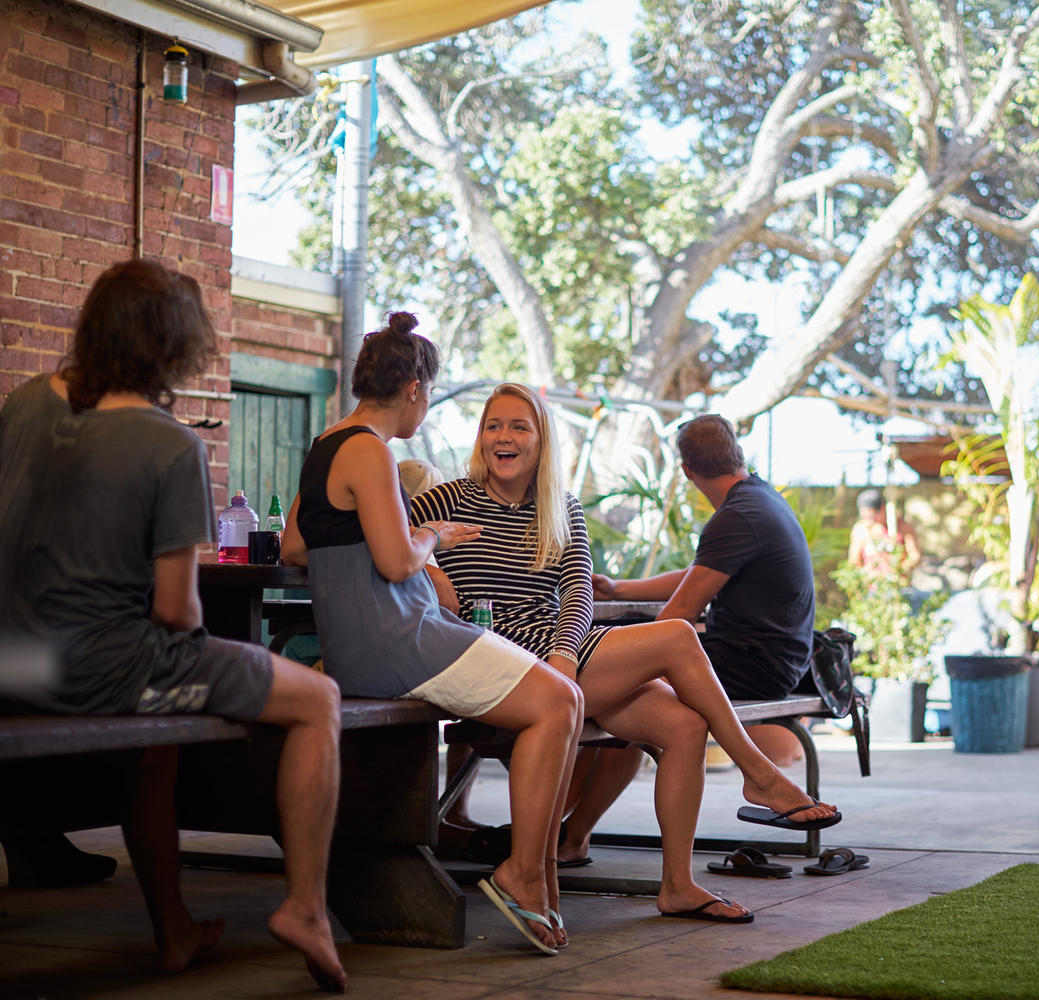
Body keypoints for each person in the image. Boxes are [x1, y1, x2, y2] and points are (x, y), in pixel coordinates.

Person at [0, 260, 347, 991]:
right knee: (319, 701)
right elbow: (176, 612)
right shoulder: (169, 444)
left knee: (156, 750)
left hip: (14, 661)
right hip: (101, 670)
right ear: (173, 349)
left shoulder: (25, 404)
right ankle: (307, 908)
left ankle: (175, 932)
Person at [410, 384, 838, 923]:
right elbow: (371, 532)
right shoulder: (446, 498)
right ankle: (758, 772)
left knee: (683, 726)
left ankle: (678, 885)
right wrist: (427, 562)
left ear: (542, 441)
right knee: (678, 637)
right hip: (500, 653)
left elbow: (577, 593)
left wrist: (566, 653)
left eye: (519, 426)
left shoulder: (562, 508)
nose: (504, 436)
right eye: (493, 425)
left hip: (562, 651)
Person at [279, 318, 580, 956]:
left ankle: (537, 875)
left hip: (369, 640)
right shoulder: (367, 449)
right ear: (414, 388)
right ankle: (522, 873)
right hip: (397, 639)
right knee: (558, 701)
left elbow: (295, 545)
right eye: (429, 392)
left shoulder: (328, 443)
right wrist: (432, 538)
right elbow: (396, 562)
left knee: (561, 698)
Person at [593, 414, 817, 764]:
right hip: (776, 660)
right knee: (623, 653)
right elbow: (701, 574)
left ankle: (555, 794)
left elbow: (679, 614)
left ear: (686, 471)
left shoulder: (737, 515)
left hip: (754, 667)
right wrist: (618, 589)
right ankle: (572, 818)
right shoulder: (759, 497)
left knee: (609, 671)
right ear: (737, 454)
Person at [847, 488, 921, 581]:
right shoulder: (860, 530)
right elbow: (854, 560)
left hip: (898, 584)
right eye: (864, 516)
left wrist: (900, 570)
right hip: (871, 586)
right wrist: (865, 574)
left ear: (883, 509)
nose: (868, 520)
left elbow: (915, 555)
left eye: (871, 516)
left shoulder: (902, 527)